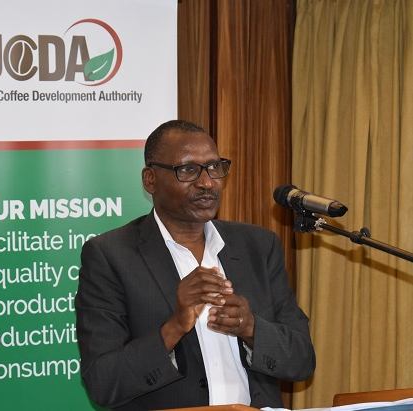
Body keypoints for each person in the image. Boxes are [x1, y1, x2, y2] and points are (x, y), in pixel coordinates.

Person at [76, 120, 315, 410]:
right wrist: (175, 327)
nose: (207, 182)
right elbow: (103, 383)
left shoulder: (258, 246)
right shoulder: (110, 256)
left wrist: (251, 328)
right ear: (150, 180)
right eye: (188, 170)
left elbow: (302, 361)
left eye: (214, 167)